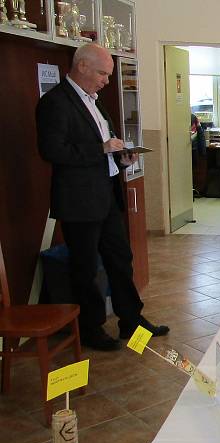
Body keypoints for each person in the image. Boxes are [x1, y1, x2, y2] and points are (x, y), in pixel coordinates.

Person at [36, 43, 168, 351]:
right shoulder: (55, 103)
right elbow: (52, 151)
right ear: (81, 66)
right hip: (79, 201)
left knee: (120, 259)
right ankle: (91, 328)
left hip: (107, 194)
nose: (106, 81)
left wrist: (121, 158)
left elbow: (105, 145)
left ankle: (131, 320)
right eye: (102, 73)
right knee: (85, 267)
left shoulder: (96, 102)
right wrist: (102, 150)